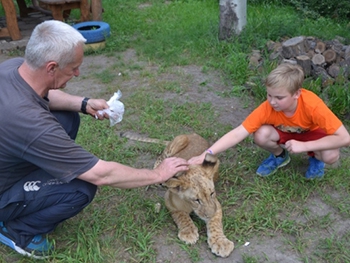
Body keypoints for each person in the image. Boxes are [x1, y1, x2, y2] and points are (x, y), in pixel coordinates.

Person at [0, 20, 189, 259]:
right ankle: (17, 231)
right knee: (81, 188)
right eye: (73, 68)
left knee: (67, 118)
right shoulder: (32, 125)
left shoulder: (13, 69)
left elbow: (47, 94)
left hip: (9, 155)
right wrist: (158, 174)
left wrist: (83, 104)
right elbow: (102, 174)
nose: (78, 73)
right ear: (51, 67)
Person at [189, 63, 350, 179]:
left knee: (331, 155)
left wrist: (305, 146)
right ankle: (279, 156)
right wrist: (207, 153)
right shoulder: (268, 107)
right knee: (261, 134)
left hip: (312, 135)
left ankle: (315, 159)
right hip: (285, 134)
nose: (272, 102)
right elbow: (238, 132)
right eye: (269, 95)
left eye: (279, 97)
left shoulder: (312, 105)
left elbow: (344, 138)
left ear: (297, 94)